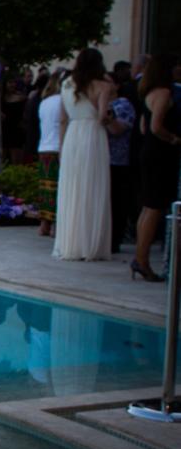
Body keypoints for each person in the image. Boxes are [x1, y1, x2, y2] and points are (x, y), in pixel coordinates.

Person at [54, 48, 113, 261]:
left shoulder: (67, 84)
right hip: (92, 136)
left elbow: (62, 119)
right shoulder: (104, 86)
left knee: (73, 187)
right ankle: (90, 244)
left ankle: (71, 242)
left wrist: (61, 147)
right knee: (92, 186)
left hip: (72, 136)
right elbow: (102, 117)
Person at [133, 53, 181, 281]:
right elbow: (154, 126)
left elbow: (143, 127)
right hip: (160, 154)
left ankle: (140, 257)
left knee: (148, 206)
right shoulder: (163, 93)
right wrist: (173, 138)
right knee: (154, 207)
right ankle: (142, 260)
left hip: (149, 152)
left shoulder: (147, 94)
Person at [106, 85, 136, 254]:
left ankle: (114, 240)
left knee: (117, 202)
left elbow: (117, 129)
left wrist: (107, 115)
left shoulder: (122, 104)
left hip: (119, 161)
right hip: (103, 159)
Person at [36, 70, 66, 237]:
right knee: (58, 187)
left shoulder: (44, 102)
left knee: (46, 188)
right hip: (57, 147)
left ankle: (44, 224)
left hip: (44, 147)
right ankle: (55, 225)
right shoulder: (62, 101)